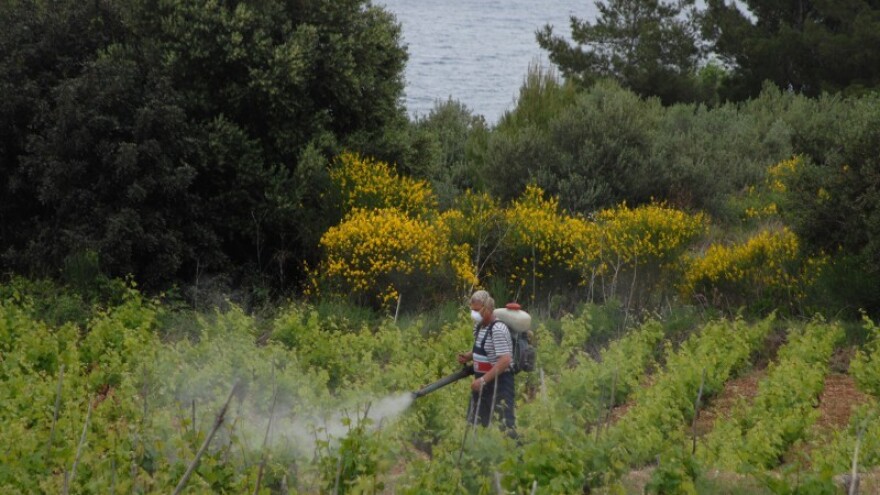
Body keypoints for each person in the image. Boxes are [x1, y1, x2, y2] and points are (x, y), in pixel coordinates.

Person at [457, 290, 516, 435]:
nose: (473, 314)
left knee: (505, 428)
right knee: (474, 425)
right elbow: (486, 348)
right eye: (472, 310)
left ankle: (515, 455)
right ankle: (476, 454)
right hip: (482, 385)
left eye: (476, 310)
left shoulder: (498, 329)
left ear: (487, 308)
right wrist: (469, 356)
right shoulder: (479, 327)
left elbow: (505, 360)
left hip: (499, 385)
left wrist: (483, 380)